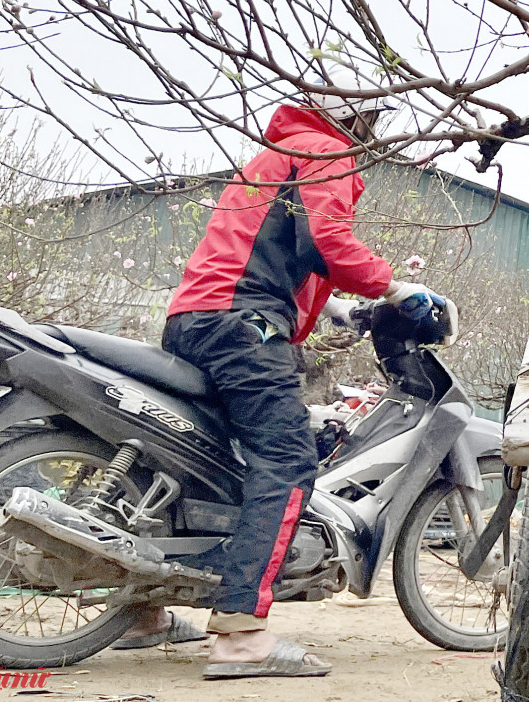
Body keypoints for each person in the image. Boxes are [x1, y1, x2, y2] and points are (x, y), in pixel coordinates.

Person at [115, 76, 450, 680]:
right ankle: (242, 636)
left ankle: (139, 611)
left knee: (200, 462)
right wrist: (399, 287)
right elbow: (331, 241)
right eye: (372, 118)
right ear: (351, 115)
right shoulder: (327, 151)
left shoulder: (276, 155)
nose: (373, 133)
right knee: (288, 460)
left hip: (198, 318)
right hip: (243, 325)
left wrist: (342, 308)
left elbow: (281, 253)